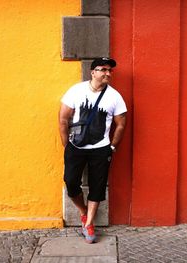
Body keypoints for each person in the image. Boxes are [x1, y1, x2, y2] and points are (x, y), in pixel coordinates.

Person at [58, 57, 127, 243]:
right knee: (71, 183)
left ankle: (89, 223)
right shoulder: (76, 90)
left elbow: (121, 124)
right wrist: (67, 146)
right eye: (103, 69)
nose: (107, 73)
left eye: (110, 70)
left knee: (97, 186)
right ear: (93, 72)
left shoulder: (114, 96)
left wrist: (112, 146)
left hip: (101, 148)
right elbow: (63, 118)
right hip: (76, 146)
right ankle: (83, 211)